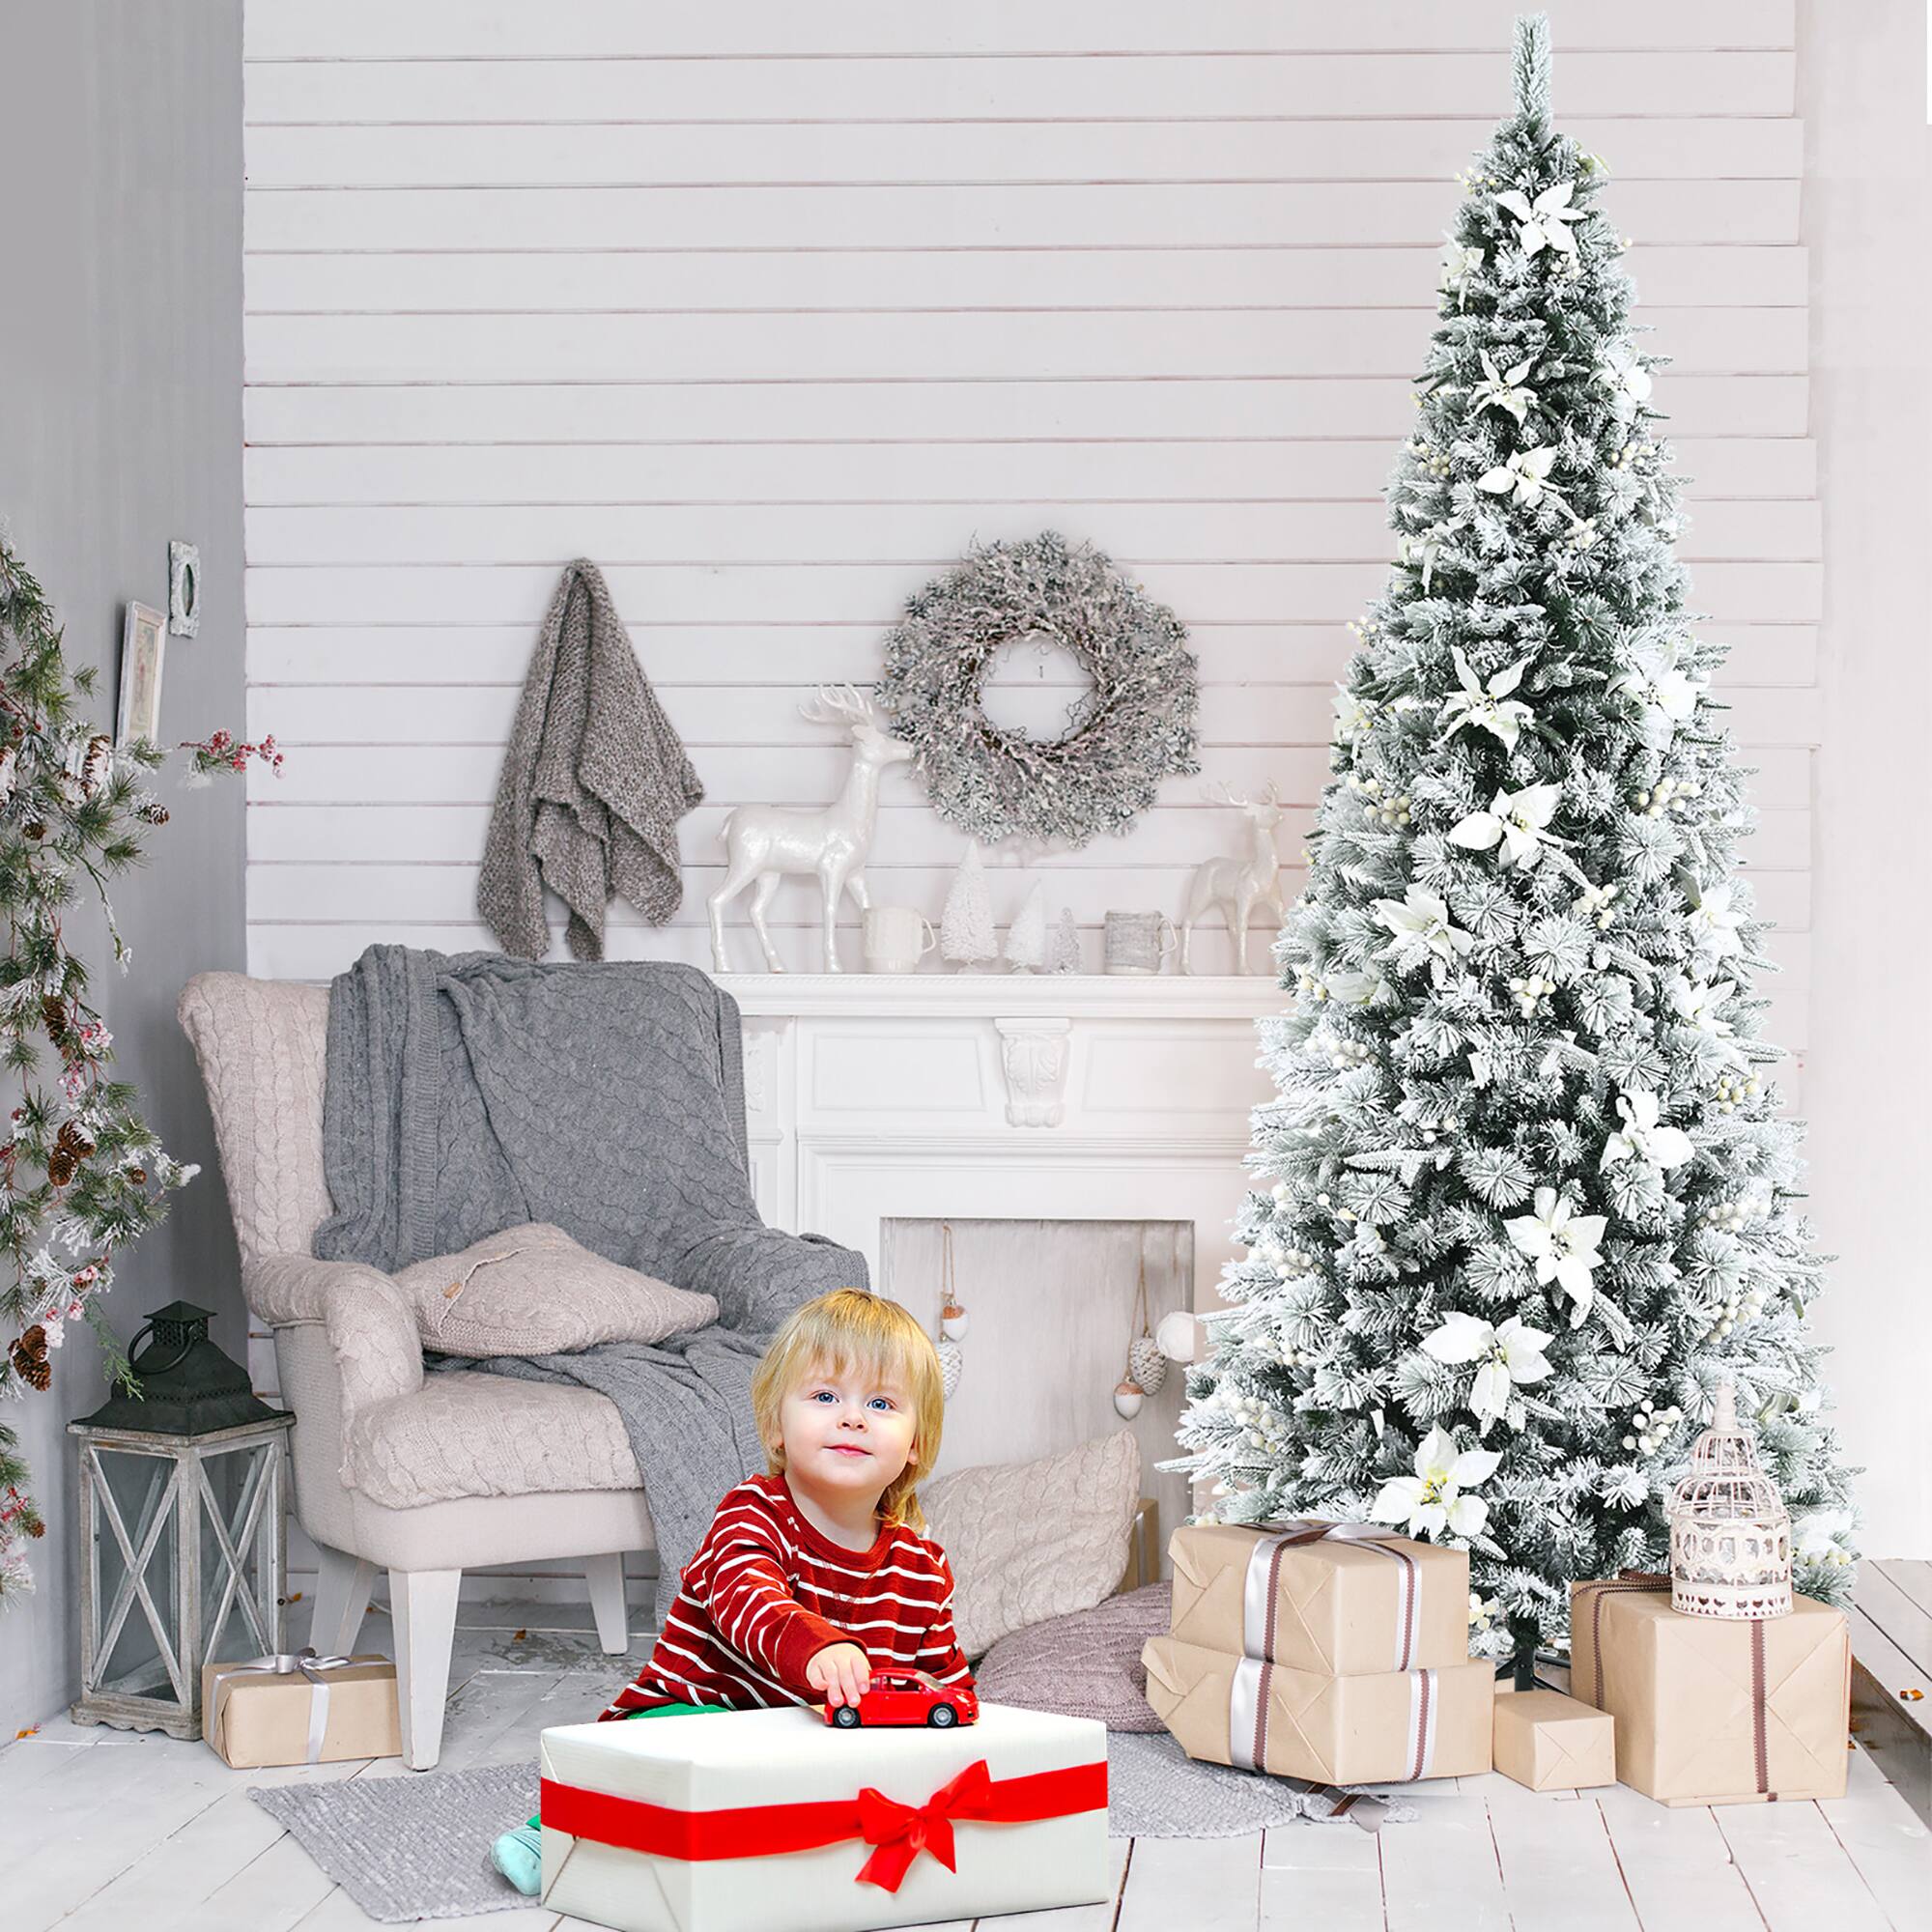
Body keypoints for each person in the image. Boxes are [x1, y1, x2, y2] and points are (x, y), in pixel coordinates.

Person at [491, 1287, 973, 1895]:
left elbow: (943, 1680)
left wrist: (967, 1734)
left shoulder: (921, 1565)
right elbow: (747, 1597)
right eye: (825, 1396)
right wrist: (819, 1649)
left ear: (916, 1444)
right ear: (776, 1426)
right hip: (701, 1714)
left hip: (813, 1743)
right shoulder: (751, 1513)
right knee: (668, 1757)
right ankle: (555, 1828)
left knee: (860, 1798)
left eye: (880, 1402)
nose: (851, 1416)